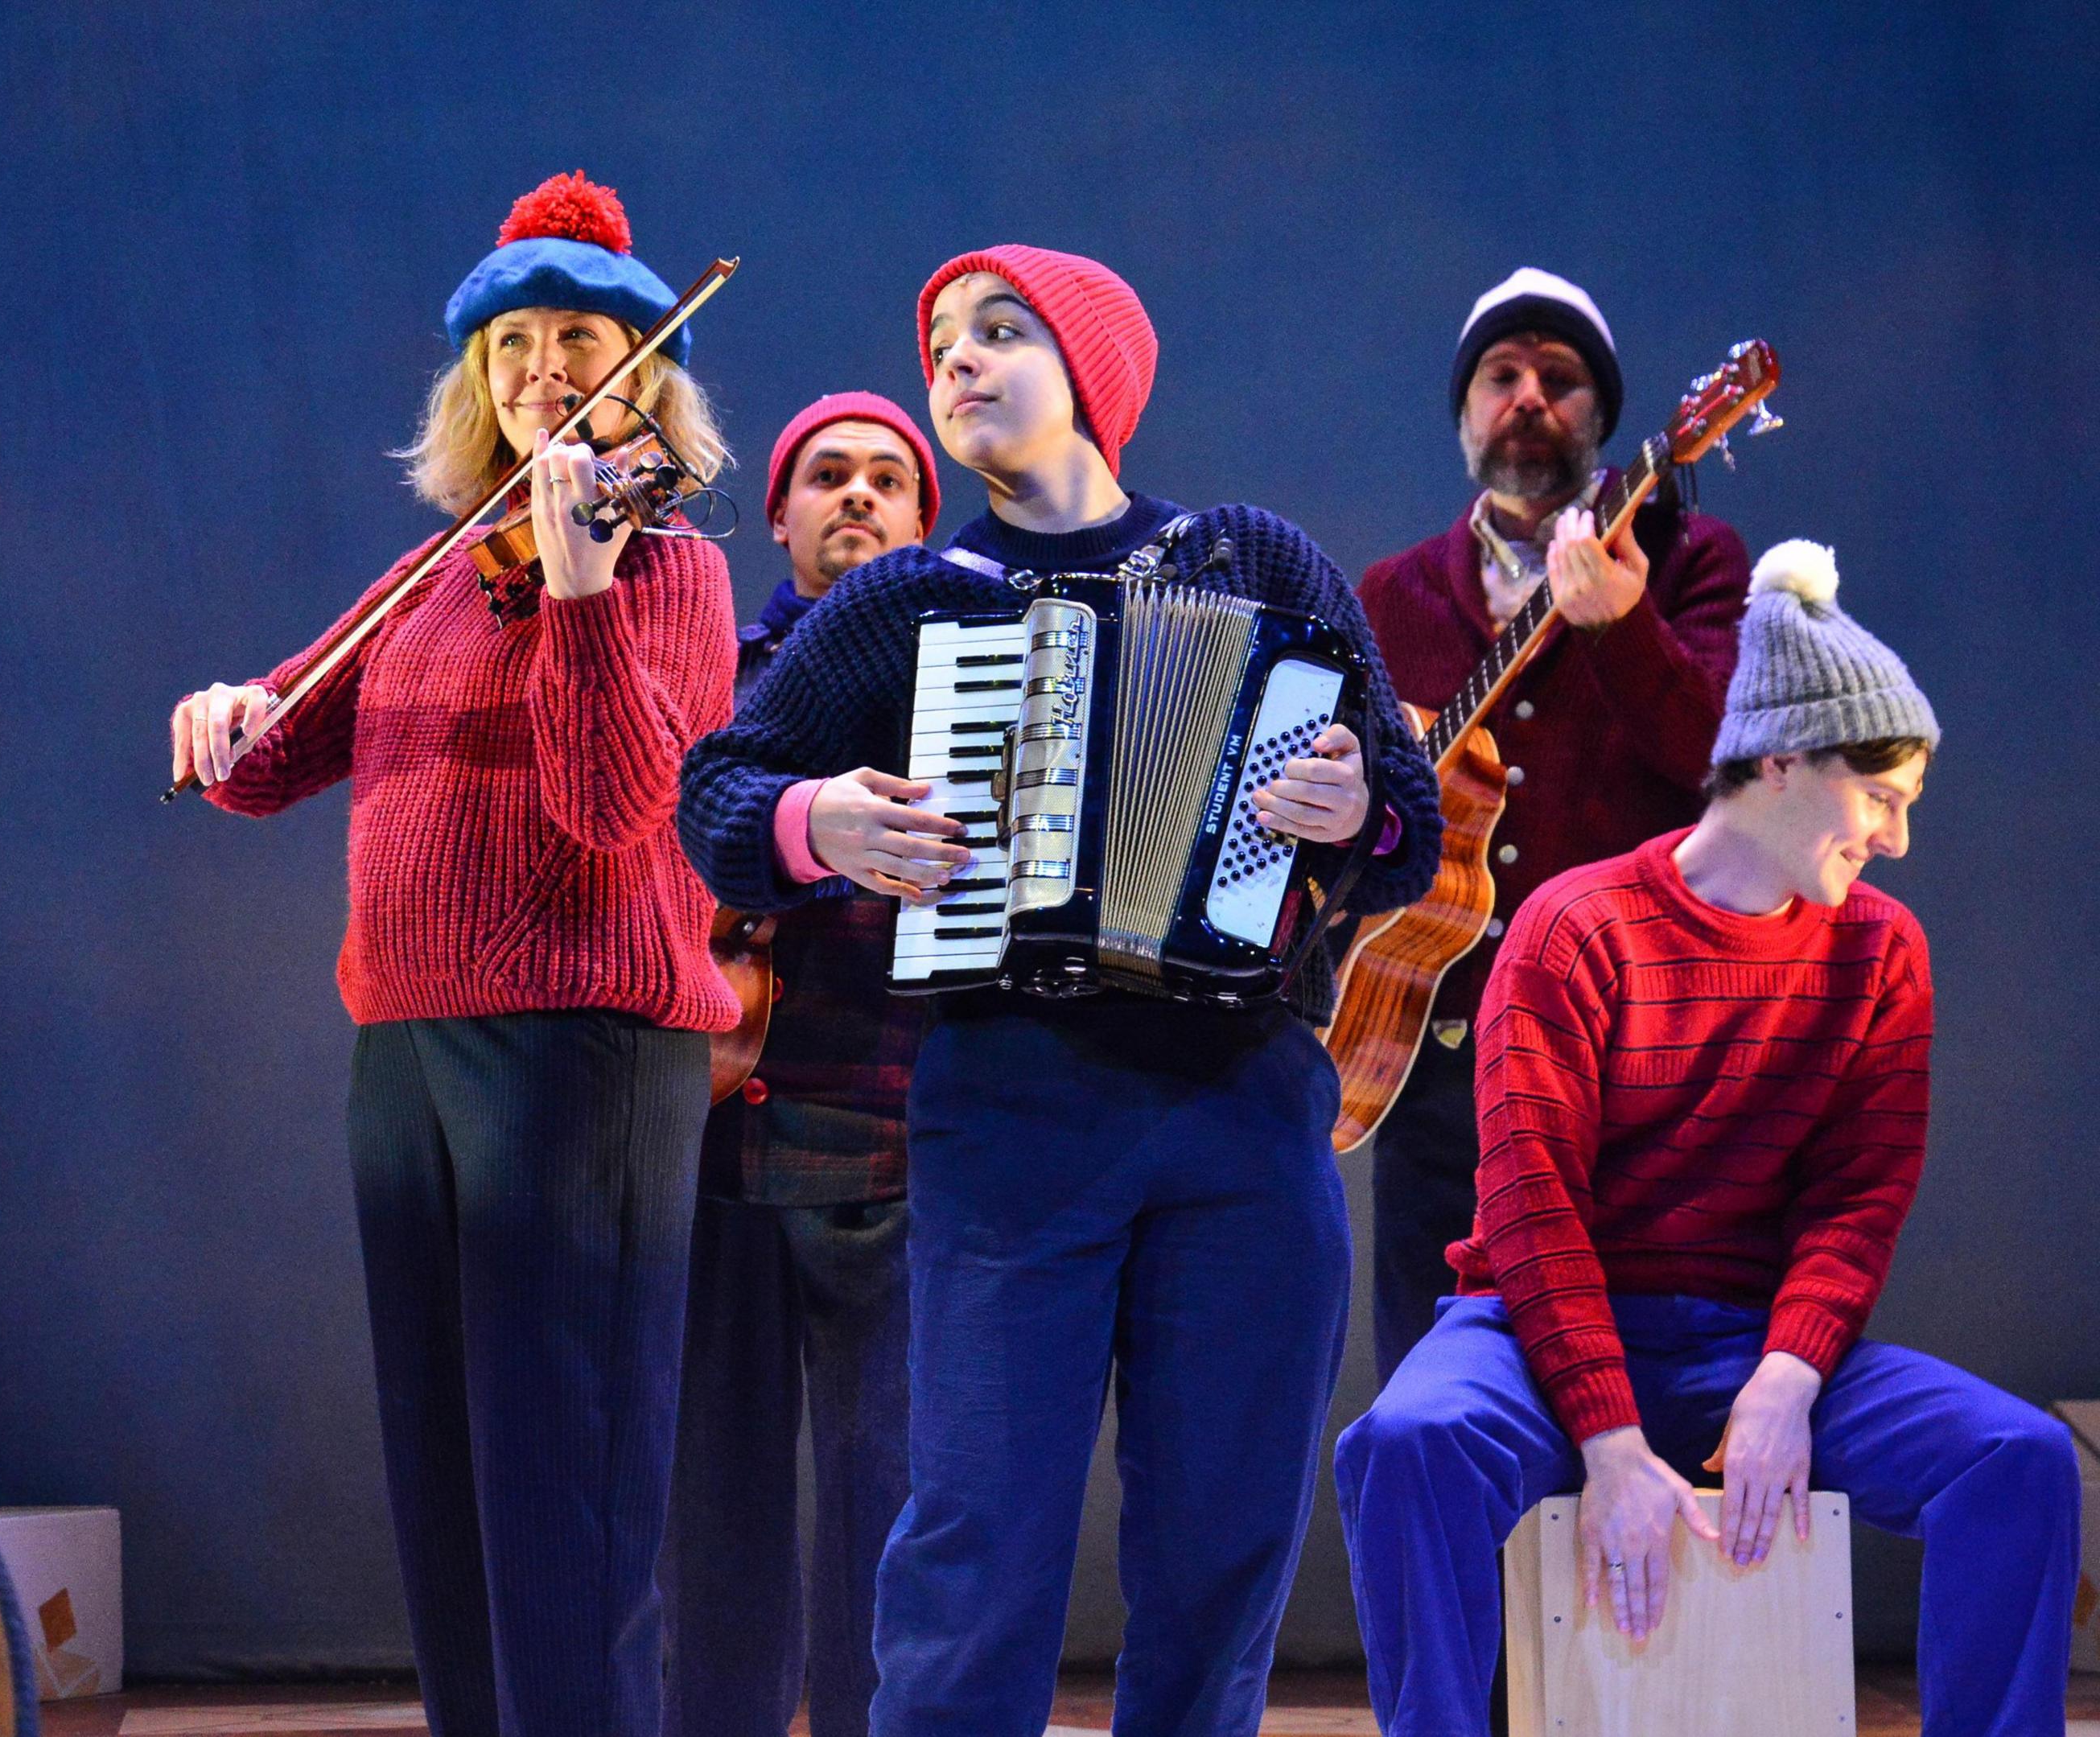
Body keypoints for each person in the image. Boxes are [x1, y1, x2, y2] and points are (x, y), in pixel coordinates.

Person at [677, 247, 1443, 1736]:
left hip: (1243, 1109)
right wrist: (814, 824)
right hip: (1010, 1103)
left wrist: (1361, 812)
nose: (957, 361)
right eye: (942, 342)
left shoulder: (1252, 562)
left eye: (999, 331)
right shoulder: (912, 597)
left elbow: (1405, 815)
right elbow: (721, 783)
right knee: (976, 1555)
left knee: (1222, 1562)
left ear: (1090, 370)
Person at [167, 171, 736, 1736]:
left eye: (575, 333)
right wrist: (227, 718)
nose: (540, 366)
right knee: (448, 1475)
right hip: (407, 1056)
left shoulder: (666, 565)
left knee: (568, 1484)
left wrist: (576, 593)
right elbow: (276, 752)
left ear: (644, 362)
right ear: (473, 382)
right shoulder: (434, 572)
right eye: (508, 344)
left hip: (579, 1058)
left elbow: (621, 807)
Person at [1336, 541, 2079, 1735]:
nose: (1895, 839)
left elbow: (1858, 1197)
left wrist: (1789, 1378)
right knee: (1407, 1444)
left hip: (1748, 1339)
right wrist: (1612, 1440)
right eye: (1881, 799)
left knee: (2018, 1461)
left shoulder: (1881, 952)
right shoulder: (1572, 927)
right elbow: (1531, 1206)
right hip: (1540, 1335)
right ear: (1780, 763)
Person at [1355, 267, 1752, 1379]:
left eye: (1562, 379)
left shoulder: (1686, 561)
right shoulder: (1390, 595)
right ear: (1465, 410)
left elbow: (1732, 764)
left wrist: (1625, 628)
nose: (1530, 396)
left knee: (1628, 1391)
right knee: (1431, 1392)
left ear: (1609, 420)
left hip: (1627, 1050)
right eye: (1503, 375)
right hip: (1430, 1054)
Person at [659, 392, 937, 1737]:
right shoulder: (715, 665)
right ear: (778, 514)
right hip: (717, 1135)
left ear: (925, 521)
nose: (860, 497)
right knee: (716, 1517)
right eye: (829, 475)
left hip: (899, 1144)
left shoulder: (976, 673)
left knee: (888, 1512)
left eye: (890, 479)